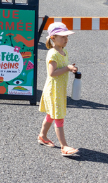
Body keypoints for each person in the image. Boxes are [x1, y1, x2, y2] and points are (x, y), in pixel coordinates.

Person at [38, 22, 79, 157]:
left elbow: (63, 65)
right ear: (53, 38)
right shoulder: (53, 54)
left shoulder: (64, 51)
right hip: (54, 90)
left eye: (67, 37)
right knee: (59, 118)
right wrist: (67, 68)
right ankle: (64, 146)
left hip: (59, 89)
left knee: (51, 115)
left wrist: (69, 67)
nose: (66, 39)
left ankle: (42, 136)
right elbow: (52, 73)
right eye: (63, 37)